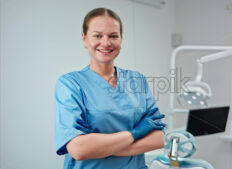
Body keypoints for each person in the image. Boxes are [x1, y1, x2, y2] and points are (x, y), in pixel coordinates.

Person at [54, 8, 166, 169]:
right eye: (97, 35)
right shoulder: (70, 84)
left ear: (121, 39)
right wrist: (135, 133)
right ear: (84, 38)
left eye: (113, 36)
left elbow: (158, 138)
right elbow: (78, 149)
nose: (106, 43)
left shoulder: (137, 79)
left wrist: (101, 148)